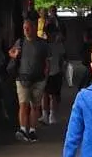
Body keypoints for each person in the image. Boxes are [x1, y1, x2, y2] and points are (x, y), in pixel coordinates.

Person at [7, 11, 48, 142]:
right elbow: (11, 52)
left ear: (34, 28)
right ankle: (23, 129)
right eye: (24, 28)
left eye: (28, 28)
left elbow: (47, 61)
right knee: (23, 104)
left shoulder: (43, 44)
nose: (26, 30)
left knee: (35, 106)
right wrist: (14, 54)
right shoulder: (21, 42)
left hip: (39, 78)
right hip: (22, 77)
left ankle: (32, 130)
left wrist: (46, 76)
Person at [41, 22, 65, 125]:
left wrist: (61, 69)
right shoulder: (43, 44)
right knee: (45, 95)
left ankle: (51, 115)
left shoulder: (58, 45)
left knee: (53, 95)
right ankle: (46, 115)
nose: (52, 35)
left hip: (55, 71)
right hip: (46, 72)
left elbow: (62, 58)